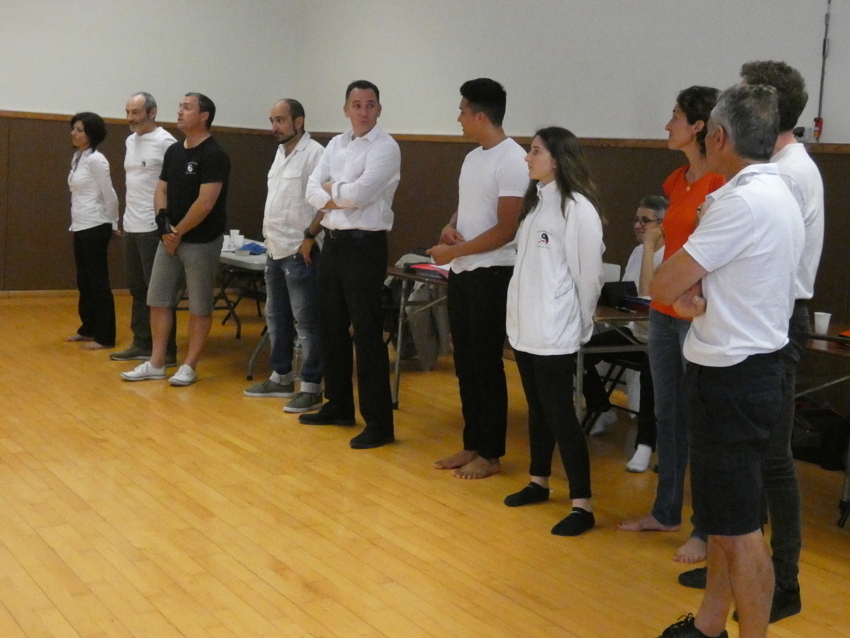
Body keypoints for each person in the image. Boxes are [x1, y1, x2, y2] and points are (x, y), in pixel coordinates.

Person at [650, 84, 803, 638]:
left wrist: (685, 295)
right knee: (724, 516)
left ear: (718, 136)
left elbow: (663, 283)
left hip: (733, 378)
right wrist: (694, 293)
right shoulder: (776, 190)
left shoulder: (741, 202)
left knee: (739, 531)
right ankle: (709, 624)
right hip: (751, 369)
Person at [619, 86, 724, 565]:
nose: (667, 124)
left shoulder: (719, 182)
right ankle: (665, 511)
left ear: (699, 126)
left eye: (676, 116)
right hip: (664, 312)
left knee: (699, 421)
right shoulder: (676, 181)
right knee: (668, 414)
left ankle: (706, 528)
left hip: (696, 315)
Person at [502, 127, 604, 536]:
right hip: (527, 328)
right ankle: (538, 480)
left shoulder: (577, 209)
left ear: (558, 160)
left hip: (555, 330)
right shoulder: (535, 206)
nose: (527, 158)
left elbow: (589, 275)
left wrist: (581, 323)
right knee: (537, 409)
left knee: (561, 414)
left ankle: (583, 504)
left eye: (535, 151)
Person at [428, 78, 528, 479]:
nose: (459, 118)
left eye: (463, 111)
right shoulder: (472, 158)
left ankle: (491, 452)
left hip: (493, 273)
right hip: (464, 271)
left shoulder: (513, 160)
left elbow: (506, 228)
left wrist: (455, 252)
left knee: (486, 363)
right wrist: (449, 228)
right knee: (465, 362)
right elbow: (466, 209)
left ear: (481, 116)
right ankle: (472, 443)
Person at [300, 80, 400, 450]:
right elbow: (311, 190)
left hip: (365, 247)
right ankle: (339, 405)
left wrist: (332, 190)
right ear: (346, 110)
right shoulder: (335, 144)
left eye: (370, 105)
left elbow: (361, 195)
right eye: (356, 105)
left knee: (367, 334)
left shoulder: (386, 148)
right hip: (333, 244)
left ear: (379, 109)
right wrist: (336, 193)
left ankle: (379, 424)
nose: (363, 111)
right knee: (331, 327)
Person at [121, 92, 230, 386]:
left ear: (204, 116)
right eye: (180, 106)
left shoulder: (214, 154)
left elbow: (205, 203)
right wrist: (163, 225)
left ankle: (189, 365)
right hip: (168, 239)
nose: (179, 111)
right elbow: (161, 190)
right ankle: (157, 362)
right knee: (158, 300)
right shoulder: (174, 151)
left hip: (200, 241)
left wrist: (177, 232)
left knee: (199, 305)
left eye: (187, 107)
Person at [243, 99, 325, 413]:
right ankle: (281, 377)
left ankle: (311, 387)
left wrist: (309, 237)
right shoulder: (280, 153)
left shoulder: (315, 154)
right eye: (272, 120)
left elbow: (325, 203)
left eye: (280, 120)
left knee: (307, 321)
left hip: (300, 250)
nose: (274, 127)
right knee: (276, 317)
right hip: (274, 248)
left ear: (298, 122)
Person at [583, 195, 667, 473]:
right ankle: (602, 408)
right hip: (633, 331)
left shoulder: (668, 253)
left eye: (646, 220)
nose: (638, 225)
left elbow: (646, 293)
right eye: (636, 219)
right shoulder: (637, 251)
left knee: (651, 373)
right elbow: (632, 296)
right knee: (578, 351)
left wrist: (649, 248)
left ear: (662, 225)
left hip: (659, 338)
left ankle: (645, 444)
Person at [110, 92, 179, 365]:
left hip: (154, 228)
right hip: (132, 225)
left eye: (135, 112)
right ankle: (141, 343)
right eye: (127, 112)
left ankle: (167, 351)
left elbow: (175, 187)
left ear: (152, 112)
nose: (130, 118)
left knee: (158, 292)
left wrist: (167, 225)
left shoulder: (166, 143)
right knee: (137, 288)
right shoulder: (130, 141)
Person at [65, 112, 119, 350]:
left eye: (79, 130)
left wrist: (114, 223)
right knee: (84, 280)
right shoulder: (78, 157)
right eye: (74, 129)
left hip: (96, 226)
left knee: (98, 281)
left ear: (91, 135)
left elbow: (110, 195)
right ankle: (88, 328)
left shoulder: (97, 160)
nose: (74, 133)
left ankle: (106, 336)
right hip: (80, 225)